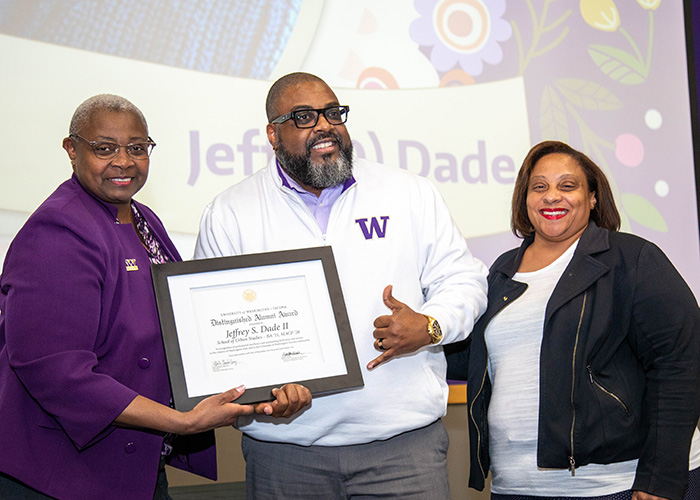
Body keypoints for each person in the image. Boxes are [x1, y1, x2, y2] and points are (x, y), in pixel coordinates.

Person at [0, 94, 311, 500]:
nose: (123, 161)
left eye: (137, 148)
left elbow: (183, 321)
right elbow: (56, 371)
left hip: (131, 461)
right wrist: (181, 421)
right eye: (104, 148)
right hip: (61, 473)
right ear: (71, 149)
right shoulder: (58, 231)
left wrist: (266, 379)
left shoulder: (143, 218)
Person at [194, 72, 488, 499]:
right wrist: (264, 392)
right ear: (273, 135)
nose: (324, 126)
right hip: (285, 454)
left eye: (333, 113)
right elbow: (215, 330)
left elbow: (465, 279)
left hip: (403, 451)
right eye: (304, 117)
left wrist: (431, 324)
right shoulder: (230, 213)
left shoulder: (408, 193)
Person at [446, 140, 700, 500]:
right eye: (540, 187)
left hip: (619, 484)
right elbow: (471, 359)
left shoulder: (631, 258)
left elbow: (680, 361)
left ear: (593, 198)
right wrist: (422, 325)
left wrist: (660, 477)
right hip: (517, 486)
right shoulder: (501, 271)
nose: (552, 196)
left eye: (568, 186)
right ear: (525, 199)